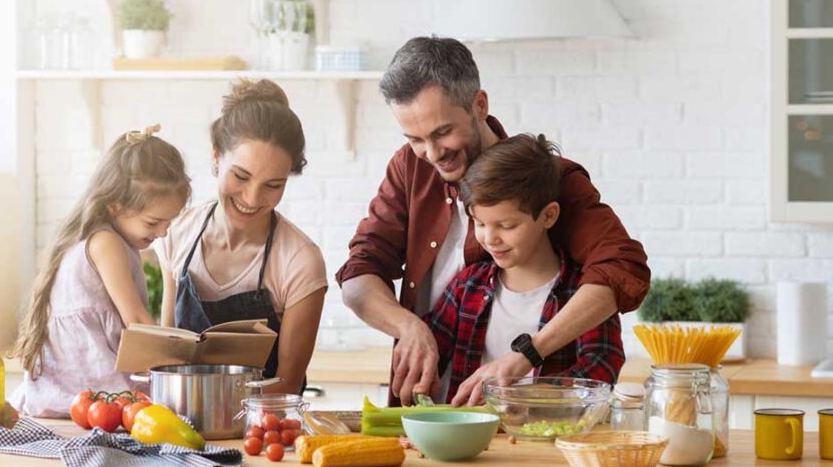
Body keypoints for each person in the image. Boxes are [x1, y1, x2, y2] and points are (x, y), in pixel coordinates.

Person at [336, 36, 649, 406]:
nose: (432, 154)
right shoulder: (410, 166)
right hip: (435, 410)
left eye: (442, 132)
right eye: (415, 139)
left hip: (530, 420)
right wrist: (408, 327)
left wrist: (527, 357)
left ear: (479, 105)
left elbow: (622, 268)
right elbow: (358, 273)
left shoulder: (547, 179)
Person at [425, 134, 625, 406]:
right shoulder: (467, 286)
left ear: (548, 216)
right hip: (469, 441)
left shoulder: (583, 293)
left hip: (548, 441)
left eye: (506, 226)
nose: (490, 238)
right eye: (479, 223)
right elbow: (430, 355)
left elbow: (601, 369)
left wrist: (517, 396)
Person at [157, 79, 328, 395]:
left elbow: (288, 385)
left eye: (273, 185)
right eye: (241, 176)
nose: (252, 198)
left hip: (263, 431)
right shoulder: (177, 233)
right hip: (179, 426)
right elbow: (166, 359)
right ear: (216, 157)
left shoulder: (300, 260)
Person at [10, 125, 191, 417]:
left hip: (68, 392)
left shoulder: (99, 237)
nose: (162, 232)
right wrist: (176, 362)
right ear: (115, 205)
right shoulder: (106, 243)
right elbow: (135, 320)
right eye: (153, 222)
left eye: (168, 223)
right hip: (89, 390)